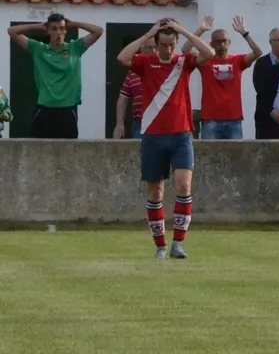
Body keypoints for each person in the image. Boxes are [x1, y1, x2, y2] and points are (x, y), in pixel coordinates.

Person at [117, 19, 214, 260]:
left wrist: (183, 29)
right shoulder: (146, 63)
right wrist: (148, 33)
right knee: (155, 191)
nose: (168, 50)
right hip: (152, 135)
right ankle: (160, 245)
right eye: (163, 44)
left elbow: (208, 53)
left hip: (181, 134)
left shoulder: (184, 63)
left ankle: (178, 243)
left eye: (172, 44)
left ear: (176, 43)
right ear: (156, 44)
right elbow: (122, 58)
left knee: (183, 185)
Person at [7, 14, 103, 138]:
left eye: (62, 28)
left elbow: (98, 31)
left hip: (68, 110)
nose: (58, 32)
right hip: (45, 109)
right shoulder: (39, 49)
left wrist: (75, 23)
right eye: (54, 28)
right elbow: (12, 31)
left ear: (66, 31)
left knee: (68, 153)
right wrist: (38, 26)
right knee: (38, 152)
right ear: (48, 30)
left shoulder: (75, 48)